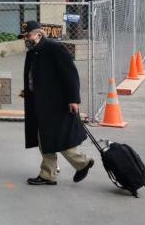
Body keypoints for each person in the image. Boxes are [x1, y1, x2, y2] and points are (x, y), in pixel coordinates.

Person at [19, 21, 94, 186]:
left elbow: (70, 75)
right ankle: (49, 174)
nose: (25, 39)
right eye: (23, 36)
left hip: (57, 103)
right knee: (45, 137)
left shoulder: (54, 48)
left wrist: (74, 99)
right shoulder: (33, 52)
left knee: (56, 137)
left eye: (28, 35)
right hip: (41, 102)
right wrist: (29, 90)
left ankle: (81, 163)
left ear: (38, 34)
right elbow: (36, 76)